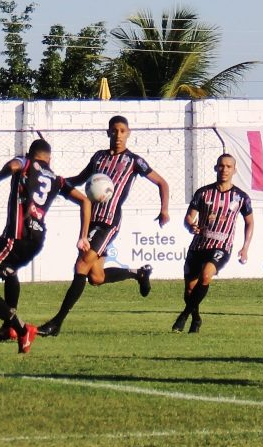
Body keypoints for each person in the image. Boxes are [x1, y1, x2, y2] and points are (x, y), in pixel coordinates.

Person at [38, 115, 171, 337]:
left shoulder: (134, 161)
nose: (118, 135)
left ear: (128, 133)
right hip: (92, 219)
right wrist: (57, 182)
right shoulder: (98, 157)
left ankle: (56, 323)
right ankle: (138, 273)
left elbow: (162, 183)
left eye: (122, 131)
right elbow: (80, 178)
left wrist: (164, 209)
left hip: (109, 223)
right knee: (96, 278)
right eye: (114, 130)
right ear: (108, 132)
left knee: (81, 265)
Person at [0, 139, 91, 353]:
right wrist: (83, 236)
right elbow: (85, 201)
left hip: (15, 237)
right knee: (10, 272)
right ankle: (8, 327)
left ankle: (20, 328)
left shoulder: (26, 163)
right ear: (50, 158)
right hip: (36, 240)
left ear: (30, 154)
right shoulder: (57, 179)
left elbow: (12, 166)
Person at [173, 154, 254, 334]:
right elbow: (189, 217)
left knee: (206, 275)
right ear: (216, 168)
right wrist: (190, 225)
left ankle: (184, 315)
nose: (224, 170)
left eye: (228, 167)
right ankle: (196, 318)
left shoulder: (241, 197)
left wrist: (245, 247)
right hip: (198, 246)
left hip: (221, 246)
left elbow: (250, 222)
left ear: (234, 170)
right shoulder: (203, 193)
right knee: (189, 289)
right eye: (221, 166)